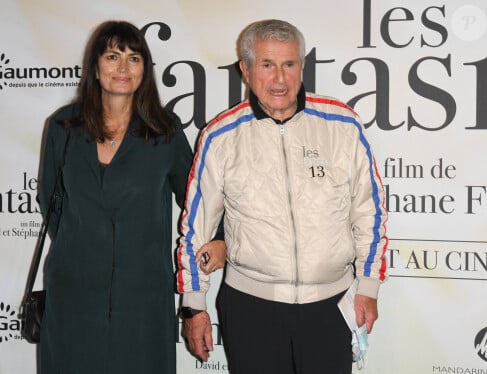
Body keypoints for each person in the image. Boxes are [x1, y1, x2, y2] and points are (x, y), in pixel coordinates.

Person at [176, 19, 388, 374]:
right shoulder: (220, 136)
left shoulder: (343, 125)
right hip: (250, 307)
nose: (279, 79)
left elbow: (370, 212)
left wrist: (369, 285)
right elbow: (195, 227)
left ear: (302, 66)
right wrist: (194, 305)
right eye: (267, 65)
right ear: (246, 69)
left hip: (332, 304)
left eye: (289, 65)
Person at [37, 20, 225, 374]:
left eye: (134, 58)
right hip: (73, 291)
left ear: (145, 70)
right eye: (112, 56)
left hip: (142, 295)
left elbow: (199, 202)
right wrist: (84, 246)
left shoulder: (164, 131)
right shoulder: (63, 127)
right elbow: (52, 199)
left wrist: (220, 240)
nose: (122, 68)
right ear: (95, 67)